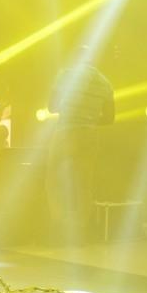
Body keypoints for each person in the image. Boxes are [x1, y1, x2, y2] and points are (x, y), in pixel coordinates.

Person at [45, 52, 115, 244]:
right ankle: (82, 230)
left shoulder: (66, 74)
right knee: (85, 184)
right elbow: (109, 118)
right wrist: (89, 118)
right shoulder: (105, 82)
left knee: (54, 180)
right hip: (90, 134)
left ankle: (58, 228)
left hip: (66, 132)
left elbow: (51, 107)